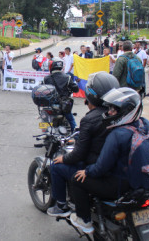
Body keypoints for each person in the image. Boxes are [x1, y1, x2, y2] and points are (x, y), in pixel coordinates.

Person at [70, 87, 149, 234]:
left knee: (76, 180)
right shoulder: (145, 124)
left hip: (120, 186)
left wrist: (87, 171)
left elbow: (101, 167)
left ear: (126, 112)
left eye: (114, 110)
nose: (109, 113)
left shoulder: (117, 135)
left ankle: (84, 220)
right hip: (146, 181)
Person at [47, 72, 119, 217]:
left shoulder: (90, 119)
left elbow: (79, 154)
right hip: (115, 167)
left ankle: (61, 205)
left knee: (56, 166)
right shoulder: (118, 113)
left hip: (95, 168)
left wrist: (64, 159)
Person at [44, 57, 79, 132]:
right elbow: (76, 89)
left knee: (45, 119)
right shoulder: (67, 77)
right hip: (63, 104)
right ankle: (76, 135)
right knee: (71, 119)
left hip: (50, 104)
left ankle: (47, 132)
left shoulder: (46, 78)